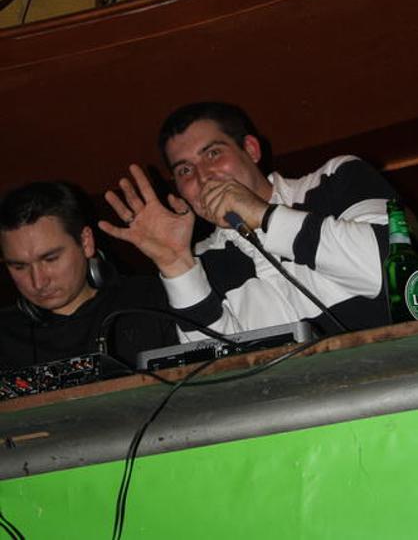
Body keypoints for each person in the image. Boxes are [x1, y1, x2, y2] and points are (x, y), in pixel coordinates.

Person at [99, 101, 398, 342]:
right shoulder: (200, 261)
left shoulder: (333, 179)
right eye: (185, 171)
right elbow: (218, 369)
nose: (203, 177)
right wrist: (177, 267)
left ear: (251, 150)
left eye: (213, 153)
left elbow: (393, 273)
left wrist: (263, 216)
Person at [0, 181, 178, 370]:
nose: (38, 282)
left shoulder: (150, 300)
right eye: (19, 266)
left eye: (50, 259)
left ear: (86, 242)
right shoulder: (4, 334)